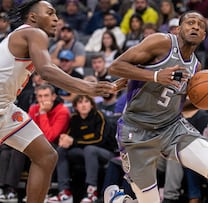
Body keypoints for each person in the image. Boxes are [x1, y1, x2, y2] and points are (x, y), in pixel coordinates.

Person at [104, 11, 208, 203]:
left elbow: (180, 107)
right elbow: (115, 67)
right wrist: (157, 76)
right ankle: (120, 200)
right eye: (190, 22)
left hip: (171, 127)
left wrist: (206, 103)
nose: (195, 27)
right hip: (136, 131)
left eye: (201, 25)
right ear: (178, 29)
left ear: (204, 36)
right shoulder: (160, 42)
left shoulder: (196, 68)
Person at [0, 1, 119, 202]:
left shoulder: (25, 36)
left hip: (6, 107)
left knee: (47, 157)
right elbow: (46, 71)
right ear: (33, 17)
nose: (56, 19)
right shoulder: (33, 33)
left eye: (57, 14)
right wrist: (87, 86)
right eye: (50, 13)